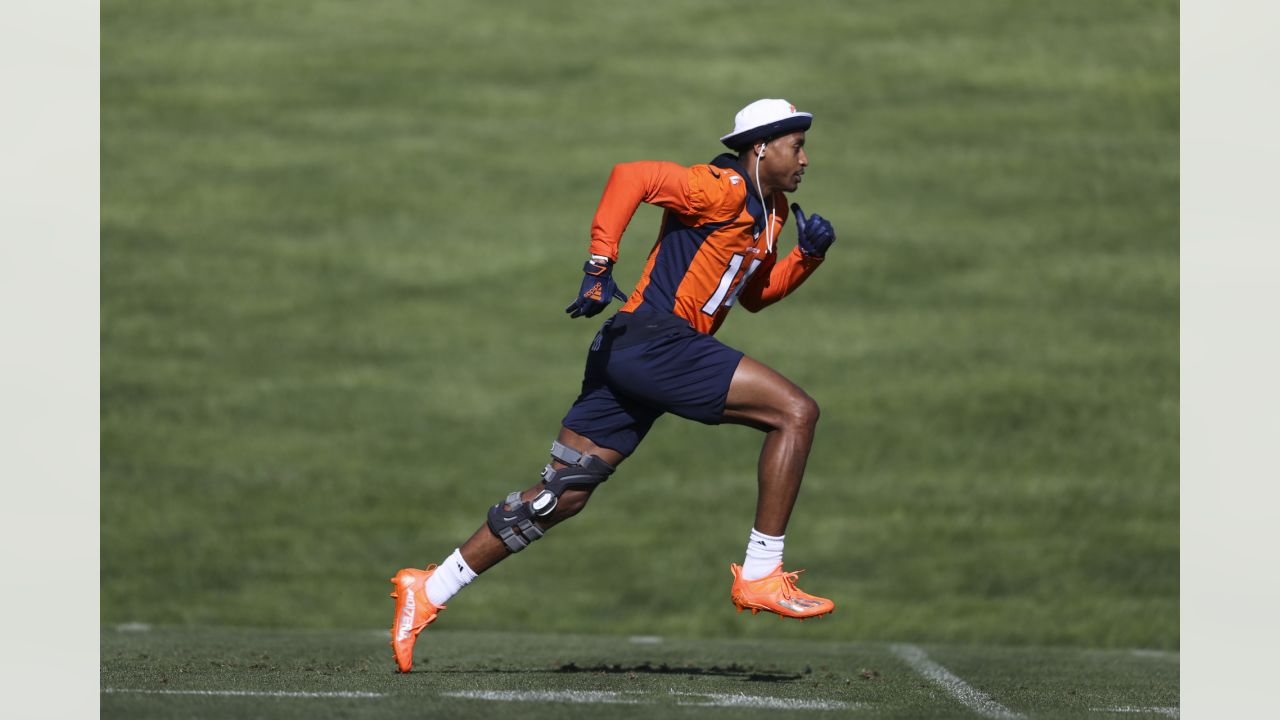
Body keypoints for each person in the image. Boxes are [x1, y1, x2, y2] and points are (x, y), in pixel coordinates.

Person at [389, 98, 839, 673]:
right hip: (658, 340)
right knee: (796, 413)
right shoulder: (720, 187)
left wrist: (806, 257)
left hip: (630, 349)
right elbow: (634, 176)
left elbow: (751, 295)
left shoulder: (772, 213)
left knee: (562, 494)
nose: (805, 158)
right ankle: (760, 573)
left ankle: (428, 589)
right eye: (796, 146)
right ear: (761, 148)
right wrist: (600, 263)